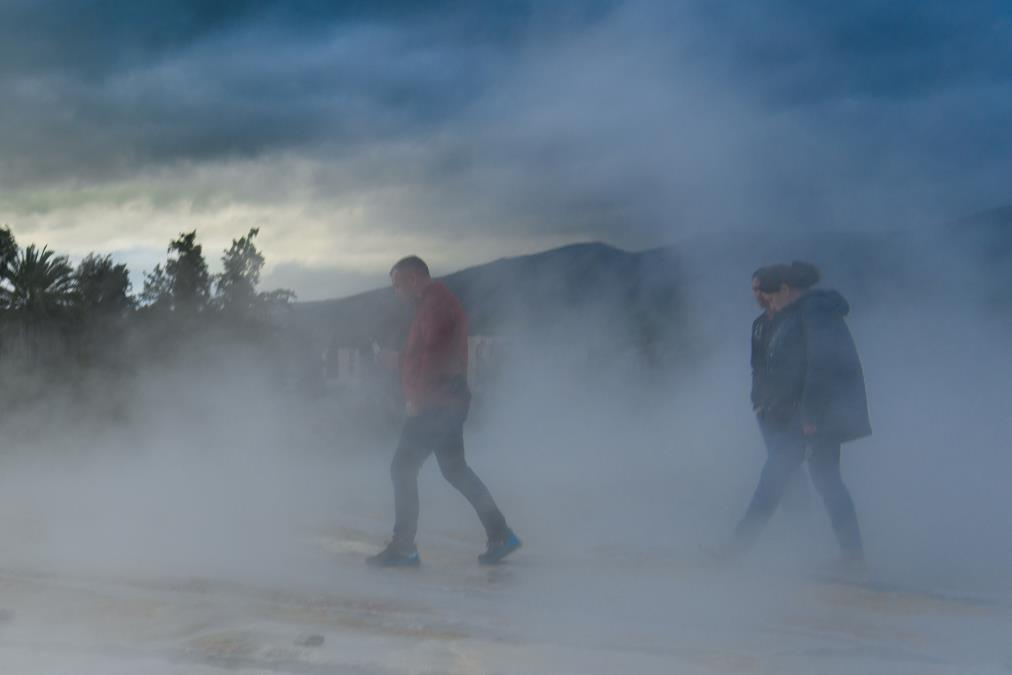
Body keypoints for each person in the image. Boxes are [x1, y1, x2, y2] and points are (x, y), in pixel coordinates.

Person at [367, 256, 521, 567]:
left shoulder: (435, 307)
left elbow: (433, 361)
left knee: (403, 467)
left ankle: (404, 548)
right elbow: (423, 356)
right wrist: (397, 361)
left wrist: (416, 398)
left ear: (413, 280)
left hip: (437, 403)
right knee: (454, 470)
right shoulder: (433, 305)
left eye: (397, 284)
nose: (396, 292)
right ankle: (500, 533)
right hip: (446, 401)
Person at [731, 261, 870, 566]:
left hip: (815, 415)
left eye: (771, 296)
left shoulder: (814, 311)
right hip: (816, 414)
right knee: (827, 481)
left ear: (785, 290)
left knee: (776, 477)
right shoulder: (805, 311)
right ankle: (853, 557)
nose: (769, 303)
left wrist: (809, 416)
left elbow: (821, 365)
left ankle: (737, 549)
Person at [751, 268, 811, 516]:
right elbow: (757, 366)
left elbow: (807, 368)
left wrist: (806, 411)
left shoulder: (795, 323)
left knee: (778, 468)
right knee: (788, 470)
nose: (757, 295)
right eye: (754, 290)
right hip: (766, 410)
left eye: (761, 290)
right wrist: (757, 400)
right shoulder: (758, 325)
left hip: (791, 410)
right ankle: (799, 519)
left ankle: (742, 539)